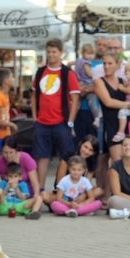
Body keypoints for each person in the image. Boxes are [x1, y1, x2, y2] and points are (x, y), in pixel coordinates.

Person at [31, 38, 80, 192]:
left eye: (54, 52)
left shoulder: (67, 73)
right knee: (42, 156)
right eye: (48, 52)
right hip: (42, 121)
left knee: (66, 156)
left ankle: (64, 189)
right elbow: (33, 96)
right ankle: (40, 189)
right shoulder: (40, 72)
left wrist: (70, 122)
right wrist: (34, 117)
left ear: (60, 53)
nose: (51, 55)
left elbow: (75, 99)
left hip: (61, 121)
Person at [95, 52, 130, 201]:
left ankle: (110, 195)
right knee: (115, 162)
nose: (106, 66)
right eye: (105, 63)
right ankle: (108, 196)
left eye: (110, 63)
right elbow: (108, 102)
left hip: (126, 124)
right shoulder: (99, 81)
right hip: (110, 125)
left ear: (117, 65)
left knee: (124, 161)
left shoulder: (124, 80)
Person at [75, 43, 102, 128]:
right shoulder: (86, 63)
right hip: (87, 83)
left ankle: (71, 121)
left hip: (79, 83)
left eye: (91, 54)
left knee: (76, 105)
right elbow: (89, 74)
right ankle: (97, 119)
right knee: (92, 102)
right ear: (83, 53)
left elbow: (69, 63)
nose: (90, 56)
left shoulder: (78, 61)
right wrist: (96, 76)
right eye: (88, 53)